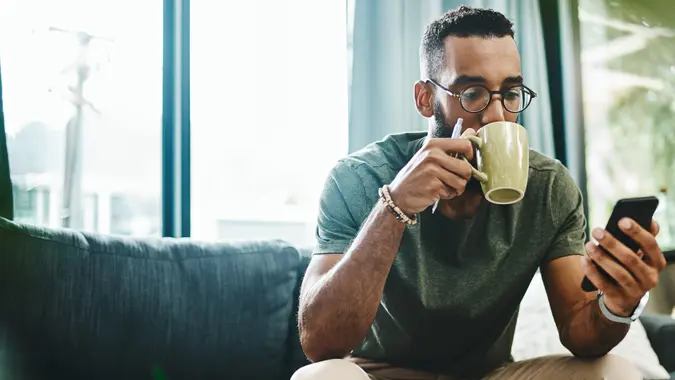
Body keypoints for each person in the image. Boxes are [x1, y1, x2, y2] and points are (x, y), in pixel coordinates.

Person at [292, 5, 668, 380]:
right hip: (380, 374)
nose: (496, 116)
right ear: (425, 99)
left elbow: (578, 331)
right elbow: (321, 344)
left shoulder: (548, 187)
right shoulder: (358, 178)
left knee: (614, 371)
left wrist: (618, 304)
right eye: (472, 93)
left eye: (510, 92)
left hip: (488, 376)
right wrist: (395, 206)